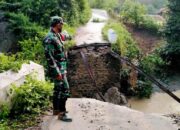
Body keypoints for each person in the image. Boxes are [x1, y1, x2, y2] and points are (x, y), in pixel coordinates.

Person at [43, 16, 72, 122]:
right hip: (57, 69)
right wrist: (57, 72)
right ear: (57, 24)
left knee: (57, 89)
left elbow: (66, 36)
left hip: (62, 67)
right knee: (65, 89)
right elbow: (49, 57)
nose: (63, 25)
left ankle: (56, 110)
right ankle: (62, 113)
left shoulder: (57, 35)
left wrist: (69, 36)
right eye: (61, 24)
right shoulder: (49, 39)